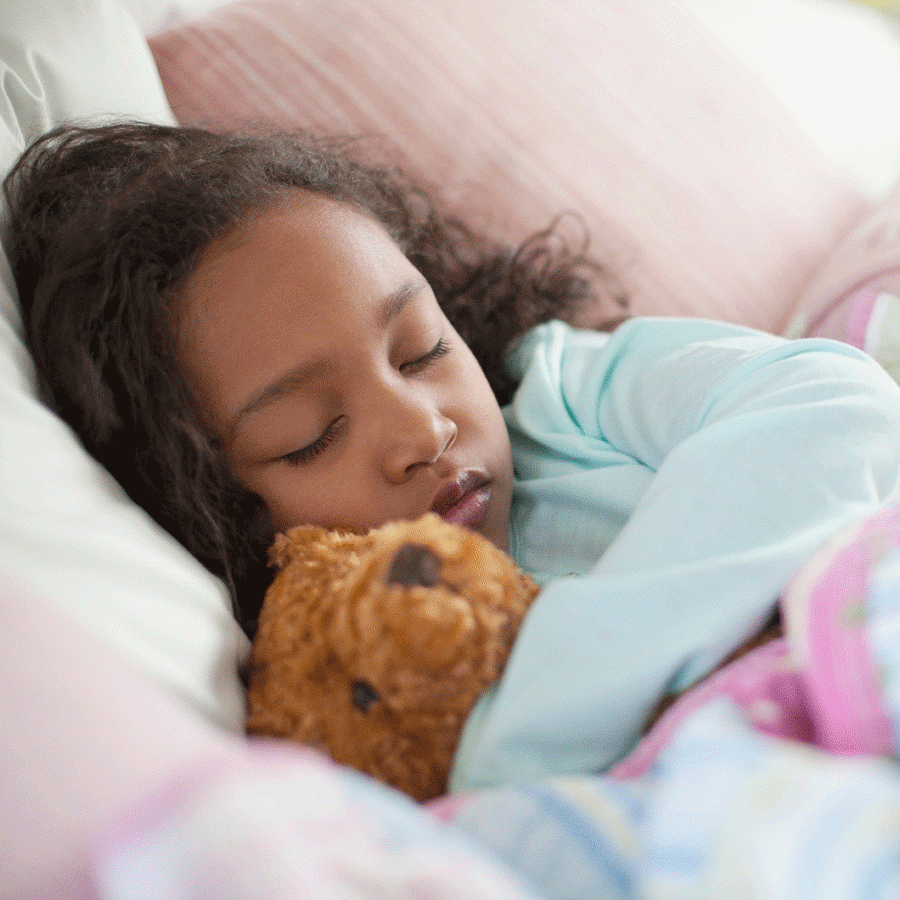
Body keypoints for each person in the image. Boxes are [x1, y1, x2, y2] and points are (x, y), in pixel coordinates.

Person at [6, 121, 900, 793]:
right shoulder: (344, 697)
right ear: (207, 504)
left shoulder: (568, 395)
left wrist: (534, 724)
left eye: (421, 350)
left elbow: (837, 405)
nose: (424, 432)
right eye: (312, 436)